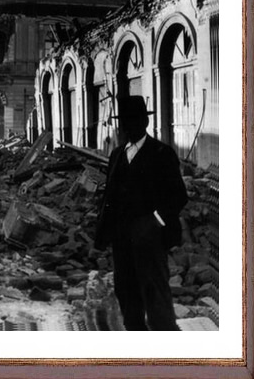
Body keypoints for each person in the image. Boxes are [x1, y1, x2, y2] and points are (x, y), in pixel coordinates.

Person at [94, 95, 188, 331]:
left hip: (151, 241)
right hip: (122, 241)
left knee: (156, 299)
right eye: (125, 121)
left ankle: (167, 356)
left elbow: (178, 196)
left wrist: (153, 222)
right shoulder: (117, 155)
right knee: (127, 297)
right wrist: (102, 236)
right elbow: (109, 199)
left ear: (145, 123)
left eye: (134, 120)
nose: (128, 126)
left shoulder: (161, 153)